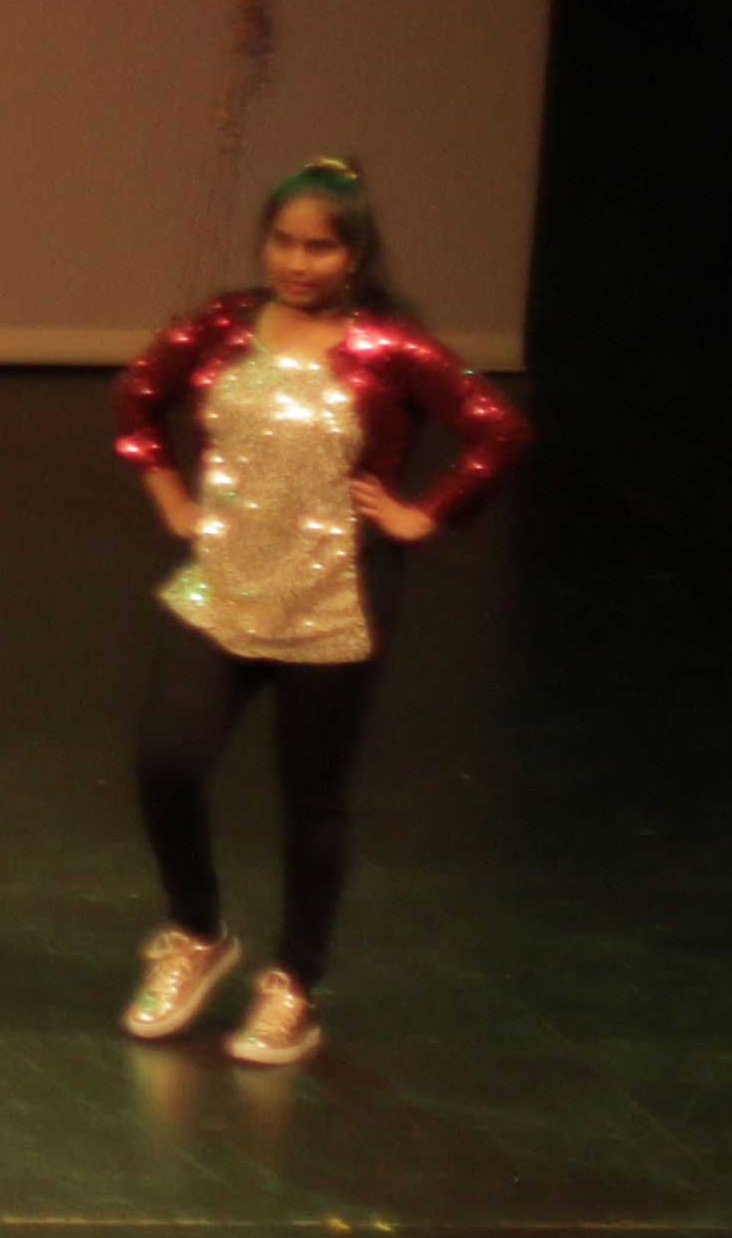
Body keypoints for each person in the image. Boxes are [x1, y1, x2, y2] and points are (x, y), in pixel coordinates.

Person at [108, 158, 525, 1066]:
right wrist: (173, 497)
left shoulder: (390, 346)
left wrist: (425, 514)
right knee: (165, 761)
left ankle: (294, 981)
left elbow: (496, 427)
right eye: (284, 242)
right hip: (223, 581)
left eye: (320, 247)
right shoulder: (224, 324)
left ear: (356, 254)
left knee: (312, 796)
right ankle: (196, 932)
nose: (297, 262)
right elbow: (138, 395)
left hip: (333, 592)